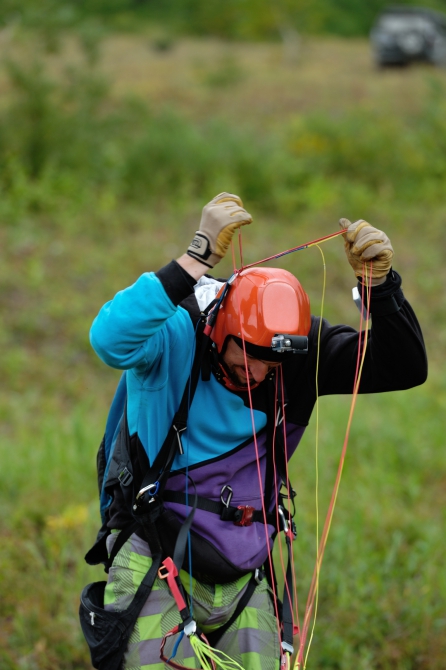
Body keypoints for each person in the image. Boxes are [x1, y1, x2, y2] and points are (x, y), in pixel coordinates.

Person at [85, 193, 427, 670]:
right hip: (154, 558)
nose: (258, 374)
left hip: (244, 571)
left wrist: (381, 286)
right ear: (218, 332)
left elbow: (405, 367)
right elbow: (107, 338)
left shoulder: (295, 355)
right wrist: (198, 255)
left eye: (271, 365)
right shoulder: (175, 335)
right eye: (245, 358)